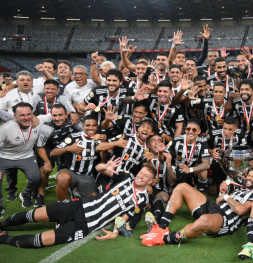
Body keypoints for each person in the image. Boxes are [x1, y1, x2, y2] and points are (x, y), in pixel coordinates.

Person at [0, 163, 155, 248]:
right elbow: (98, 168)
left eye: (146, 176)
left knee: (38, 241)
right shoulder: (126, 178)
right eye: (141, 173)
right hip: (79, 206)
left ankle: (4, 239)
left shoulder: (141, 199)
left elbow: (125, 217)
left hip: (86, 224)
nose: (141, 176)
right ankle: (1, 225)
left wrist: (115, 232)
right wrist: (105, 167)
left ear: (150, 181)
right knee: (31, 215)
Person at [140, 168, 253, 246]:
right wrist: (223, 193)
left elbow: (241, 209)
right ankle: (161, 227)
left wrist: (226, 197)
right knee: (181, 187)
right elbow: (219, 201)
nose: (249, 178)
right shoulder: (241, 189)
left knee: (204, 220)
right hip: (214, 208)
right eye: (249, 175)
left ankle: (165, 239)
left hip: (224, 220)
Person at [0, 102, 51, 208]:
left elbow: (57, 113)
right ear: (15, 116)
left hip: (26, 156)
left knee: (36, 178)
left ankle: (25, 193)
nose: (26, 118)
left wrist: (72, 113)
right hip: (5, 157)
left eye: (29, 114)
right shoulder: (6, 128)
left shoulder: (39, 120)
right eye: (22, 115)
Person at [36, 104, 83, 207]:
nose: (57, 118)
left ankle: (75, 188)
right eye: (54, 115)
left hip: (69, 149)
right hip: (50, 149)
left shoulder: (73, 122)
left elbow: (86, 133)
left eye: (60, 115)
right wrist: (47, 162)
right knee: (44, 170)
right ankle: (40, 194)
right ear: (51, 115)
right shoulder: (46, 128)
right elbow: (39, 146)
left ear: (66, 115)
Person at [50, 116, 101, 202]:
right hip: (70, 171)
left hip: (87, 175)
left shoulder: (100, 140)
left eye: (94, 125)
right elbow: (53, 153)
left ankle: (75, 189)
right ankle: (62, 204)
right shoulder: (73, 137)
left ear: (97, 126)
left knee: (92, 201)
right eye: (88, 125)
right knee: (63, 178)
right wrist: (68, 148)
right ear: (83, 126)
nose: (91, 128)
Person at [96, 119, 156, 190]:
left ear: (152, 133)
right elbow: (98, 147)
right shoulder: (125, 137)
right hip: (106, 177)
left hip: (122, 183)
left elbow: (146, 169)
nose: (145, 129)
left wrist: (149, 161)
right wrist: (116, 143)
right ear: (138, 128)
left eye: (148, 128)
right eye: (143, 126)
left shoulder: (145, 150)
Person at [163, 118, 210, 189]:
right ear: (185, 130)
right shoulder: (176, 140)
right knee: (170, 174)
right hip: (177, 170)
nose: (190, 132)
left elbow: (207, 164)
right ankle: (172, 188)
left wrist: (190, 169)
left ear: (199, 131)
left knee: (203, 172)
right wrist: (161, 152)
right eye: (188, 129)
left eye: (194, 130)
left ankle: (199, 192)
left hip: (191, 170)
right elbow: (163, 157)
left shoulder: (202, 142)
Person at [206, 116, 246, 195]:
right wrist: (210, 151)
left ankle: (238, 185)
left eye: (230, 129)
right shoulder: (213, 133)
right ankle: (222, 180)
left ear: (235, 128)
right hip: (216, 162)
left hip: (232, 163)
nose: (226, 132)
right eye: (225, 128)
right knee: (213, 192)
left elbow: (243, 151)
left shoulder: (240, 133)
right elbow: (204, 147)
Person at [231, 79, 253, 148]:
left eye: (247, 89)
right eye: (242, 89)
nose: (244, 92)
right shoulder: (236, 103)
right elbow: (236, 121)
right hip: (243, 137)